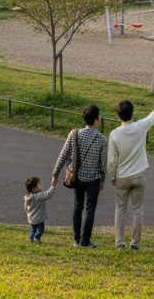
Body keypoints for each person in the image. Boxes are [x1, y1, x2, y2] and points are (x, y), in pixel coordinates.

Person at [108, 95, 154, 251]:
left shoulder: (115, 134)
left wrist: (112, 176)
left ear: (118, 115)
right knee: (137, 211)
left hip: (122, 176)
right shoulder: (141, 126)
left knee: (120, 209)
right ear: (132, 113)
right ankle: (135, 243)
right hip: (139, 175)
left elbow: (112, 160)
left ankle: (120, 243)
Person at [52, 104, 108, 248]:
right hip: (93, 179)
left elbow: (63, 155)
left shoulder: (74, 133)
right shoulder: (102, 139)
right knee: (90, 210)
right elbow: (103, 163)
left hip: (77, 178)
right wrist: (102, 180)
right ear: (97, 119)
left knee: (78, 207)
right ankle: (85, 241)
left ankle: (76, 240)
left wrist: (55, 174)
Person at [24, 176, 55, 244]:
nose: (41, 185)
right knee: (40, 229)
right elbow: (48, 194)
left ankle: (31, 239)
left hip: (31, 218)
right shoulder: (38, 197)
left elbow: (26, 207)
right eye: (39, 184)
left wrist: (28, 213)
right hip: (39, 218)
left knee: (33, 229)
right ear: (34, 189)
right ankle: (36, 238)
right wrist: (53, 186)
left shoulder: (28, 198)